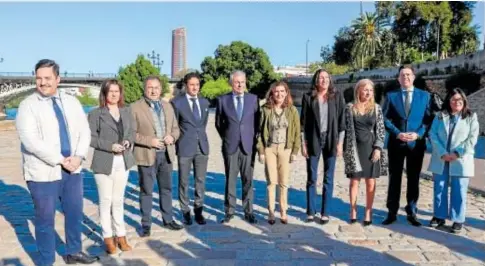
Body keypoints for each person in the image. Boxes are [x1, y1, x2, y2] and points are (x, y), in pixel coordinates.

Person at [15, 59, 99, 265]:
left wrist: (79, 156)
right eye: (39, 78)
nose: (43, 83)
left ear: (58, 79)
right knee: (45, 220)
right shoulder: (27, 106)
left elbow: (84, 131)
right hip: (44, 172)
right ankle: (46, 260)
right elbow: (30, 141)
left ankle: (74, 251)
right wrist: (61, 160)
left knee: (74, 213)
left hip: (73, 168)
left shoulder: (72, 102)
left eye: (47, 78)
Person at [131, 75, 183, 237]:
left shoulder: (168, 106)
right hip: (147, 154)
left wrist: (172, 137)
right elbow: (130, 134)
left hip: (166, 154)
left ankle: (168, 219)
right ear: (145, 89)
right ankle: (146, 224)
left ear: (161, 89)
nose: (153, 91)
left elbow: (176, 129)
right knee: (146, 190)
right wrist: (150, 141)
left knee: (166, 189)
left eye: (156, 88)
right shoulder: (134, 108)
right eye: (150, 87)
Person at [87, 79, 134, 254]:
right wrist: (110, 146)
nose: (114, 94)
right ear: (104, 94)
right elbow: (90, 138)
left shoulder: (126, 112)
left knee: (118, 200)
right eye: (110, 91)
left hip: (124, 160)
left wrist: (129, 141)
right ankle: (108, 238)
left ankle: (121, 236)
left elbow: (132, 132)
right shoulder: (95, 114)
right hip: (104, 161)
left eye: (117, 91)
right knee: (105, 201)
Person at [381, 65, 432, 226]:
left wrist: (418, 134)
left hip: (416, 144)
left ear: (414, 77)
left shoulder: (425, 96)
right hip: (396, 143)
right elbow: (384, 118)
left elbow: (428, 120)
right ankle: (392, 211)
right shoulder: (391, 96)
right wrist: (397, 133)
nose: (406, 78)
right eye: (403, 75)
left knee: (414, 178)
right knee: (394, 178)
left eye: (408, 75)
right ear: (398, 78)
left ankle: (412, 211)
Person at [427, 88, 479, 233]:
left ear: (464, 101)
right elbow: (433, 134)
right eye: (454, 100)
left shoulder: (471, 117)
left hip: (461, 159)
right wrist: (443, 153)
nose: (457, 102)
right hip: (441, 158)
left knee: (459, 190)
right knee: (440, 188)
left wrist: (457, 153)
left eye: (460, 100)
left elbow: (472, 138)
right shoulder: (439, 116)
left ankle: (458, 219)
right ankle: (439, 216)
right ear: (449, 101)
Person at [300, 69, 346, 224]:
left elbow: (342, 122)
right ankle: (311, 211)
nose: (324, 80)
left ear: (330, 80)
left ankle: (325, 212)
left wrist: (340, 143)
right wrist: (303, 143)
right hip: (313, 139)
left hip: (331, 139)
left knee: (329, 177)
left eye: (326, 77)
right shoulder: (308, 97)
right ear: (316, 80)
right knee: (312, 177)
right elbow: (303, 123)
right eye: (321, 78)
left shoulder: (337, 97)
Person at [215, 70, 260, 224]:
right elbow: (218, 124)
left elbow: (257, 122)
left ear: (245, 82)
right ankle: (229, 211)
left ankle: (249, 211)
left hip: (248, 145)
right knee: (231, 179)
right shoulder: (222, 100)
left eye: (242, 81)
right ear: (231, 83)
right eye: (236, 82)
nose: (240, 84)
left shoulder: (253, 99)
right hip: (231, 145)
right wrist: (228, 137)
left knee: (248, 179)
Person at [343, 79, 387, 226]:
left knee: (370, 182)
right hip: (354, 149)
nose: (368, 92)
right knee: (354, 181)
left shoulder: (376, 108)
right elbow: (345, 129)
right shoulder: (349, 108)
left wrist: (378, 148)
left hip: (371, 149)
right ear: (358, 90)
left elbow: (381, 130)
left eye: (370, 90)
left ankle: (368, 211)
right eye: (365, 89)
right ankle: (353, 210)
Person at [256, 81, 300, 225]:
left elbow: (297, 132)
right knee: (271, 182)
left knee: (284, 182)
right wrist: (261, 151)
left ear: (286, 93)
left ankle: (283, 211)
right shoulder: (265, 110)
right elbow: (259, 132)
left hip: (285, 148)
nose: (279, 94)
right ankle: (270, 212)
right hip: (270, 148)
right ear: (272, 93)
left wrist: (295, 150)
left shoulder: (292, 110)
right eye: (276, 91)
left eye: (282, 91)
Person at [171, 73, 210, 225]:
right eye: (192, 84)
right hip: (185, 146)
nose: (195, 87)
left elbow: (203, 124)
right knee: (184, 181)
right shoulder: (177, 103)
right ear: (186, 85)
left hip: (202, 146)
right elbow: (175, 125)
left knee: (200, 180)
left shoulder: (205, 102)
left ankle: (199, 209)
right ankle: (185, 210)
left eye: (197, 84)